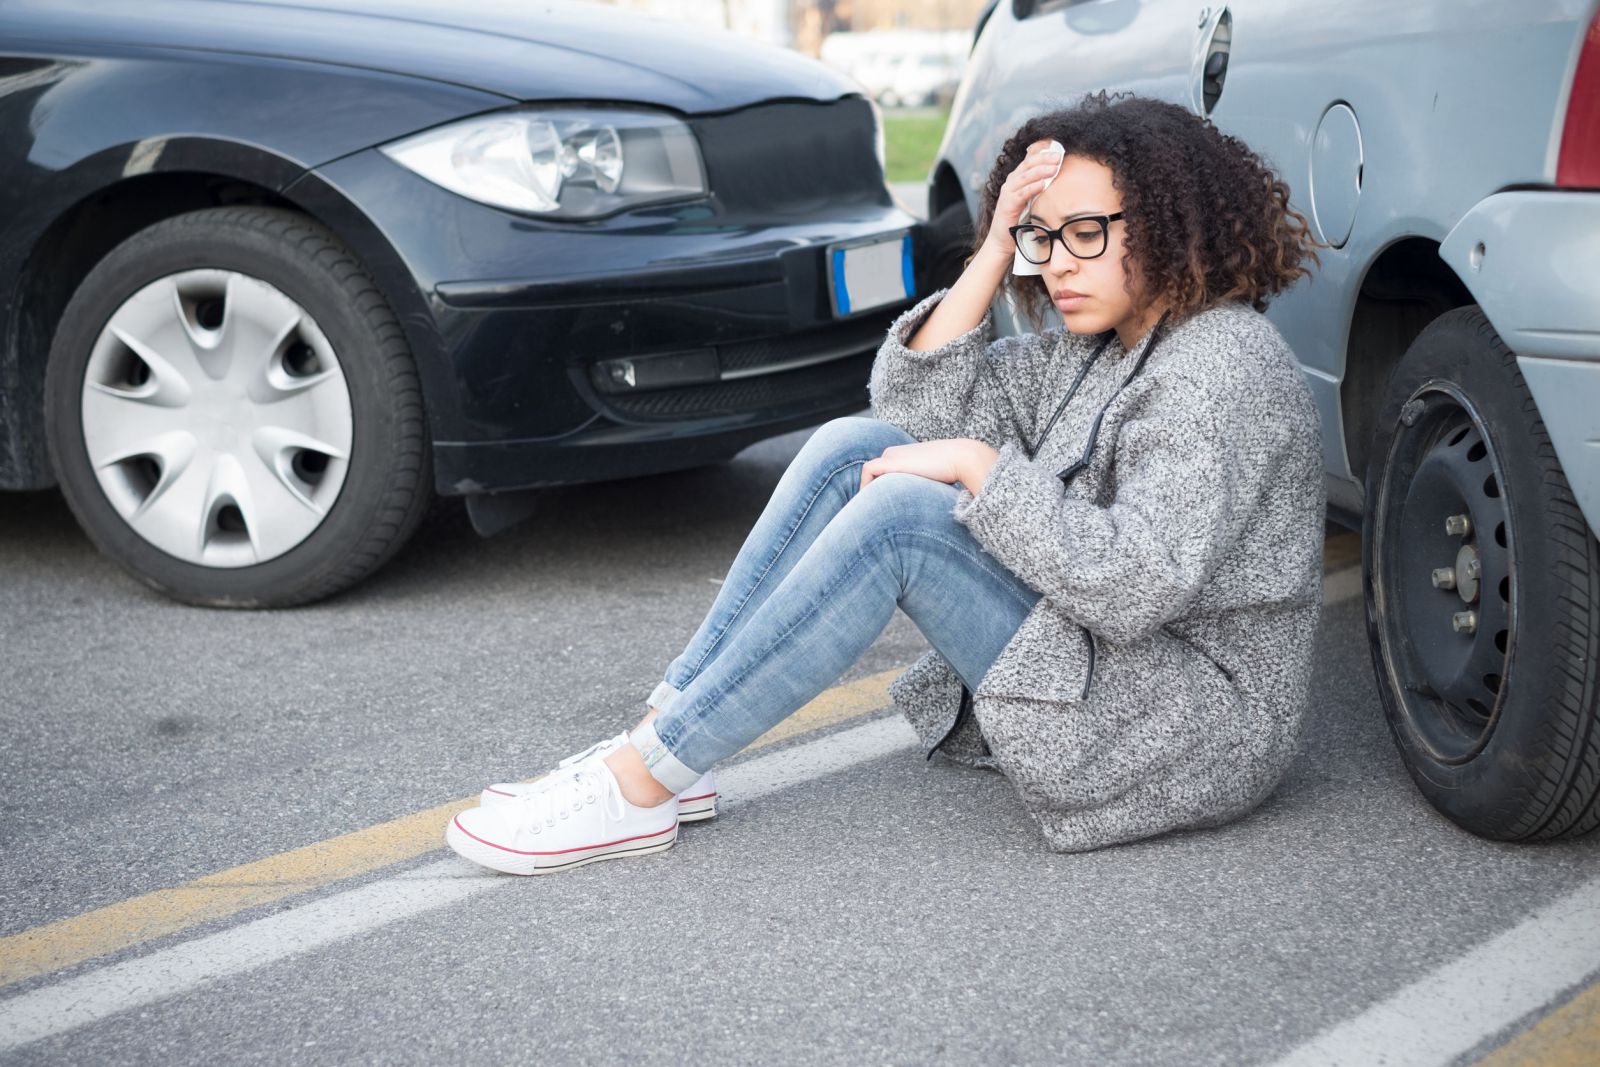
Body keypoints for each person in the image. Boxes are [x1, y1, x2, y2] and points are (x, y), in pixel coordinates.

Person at [446, 91, 1326, 875]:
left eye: (1086, 232)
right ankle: (666, 735)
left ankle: (639, 783)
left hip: (1190, 720)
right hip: (1121, 662)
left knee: (905, 520)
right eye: (1041, 235)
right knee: (852, 446)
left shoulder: (1218, 367)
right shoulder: (1104, 345)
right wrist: (991, 251)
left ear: (1170, 224)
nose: (1058, 262)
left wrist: (978, 467)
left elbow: (1137, 583)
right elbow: (912, 405)